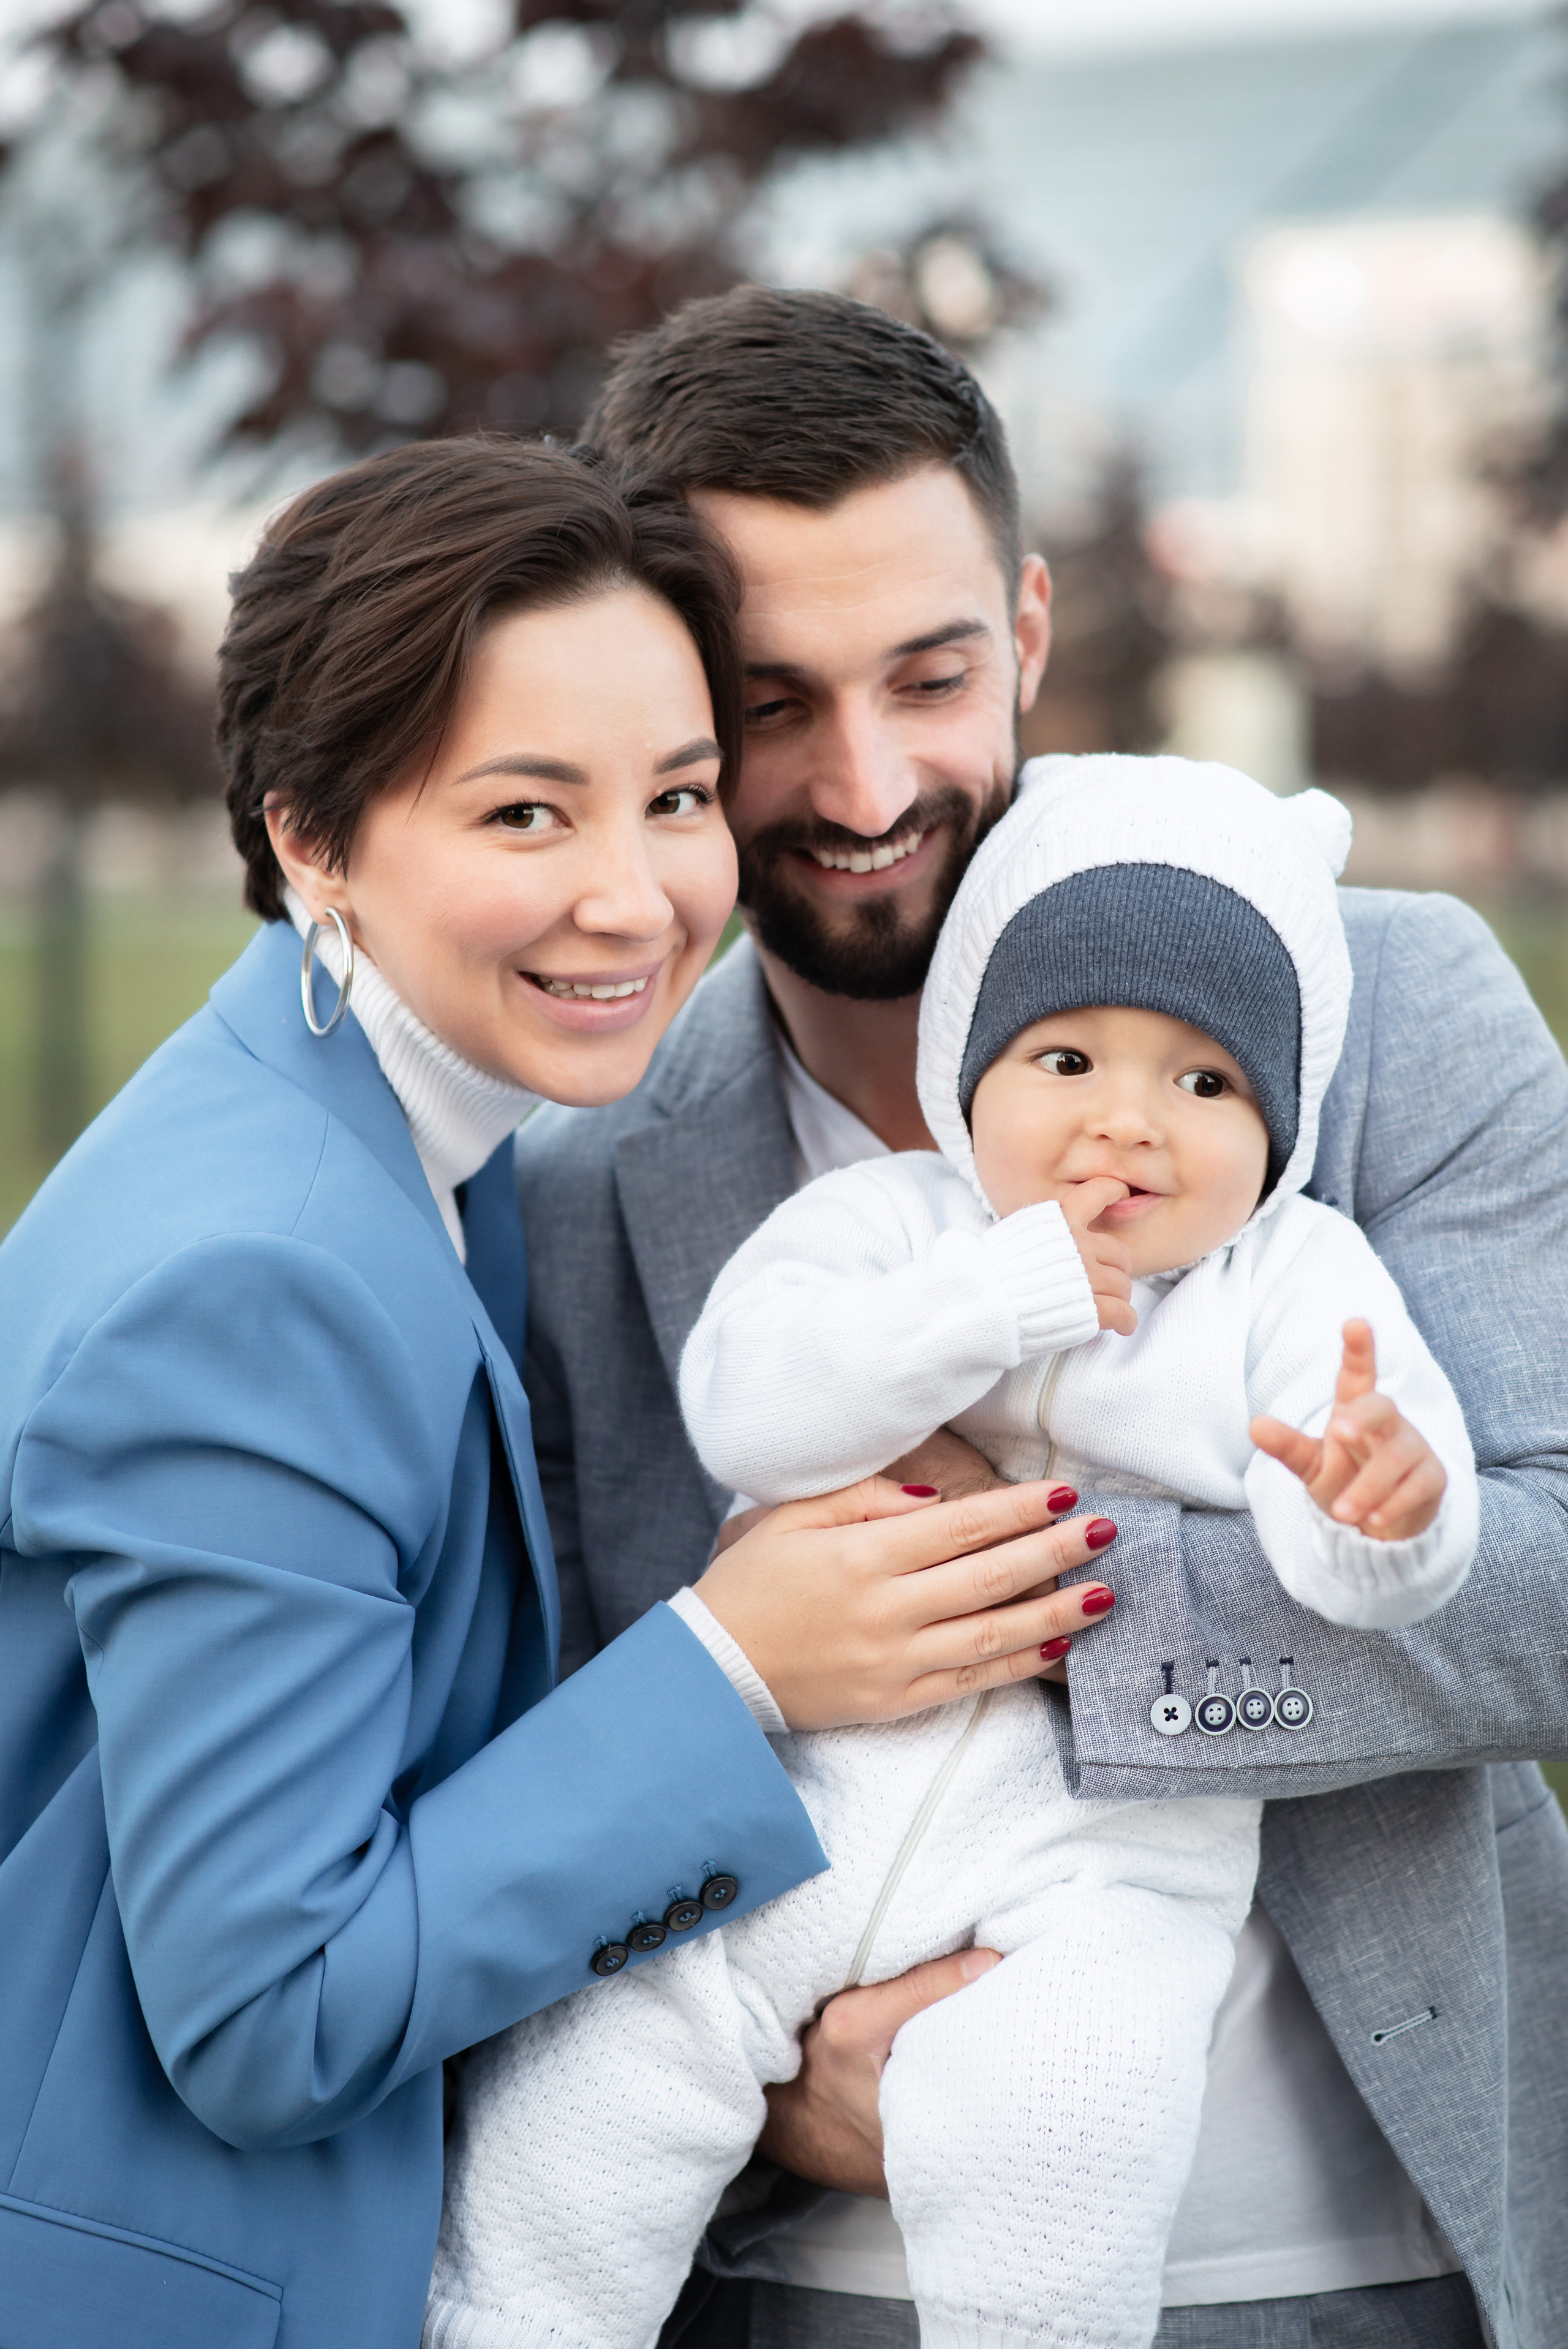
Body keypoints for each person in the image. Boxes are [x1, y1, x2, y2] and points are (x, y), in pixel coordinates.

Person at [513, 289, 1568, 2349]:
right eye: (773, 701)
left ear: (1030, 630)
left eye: (930, 676)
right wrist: (770, 2101)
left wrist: (1016, 1607)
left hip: (1371, 2266)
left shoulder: (1393, 1008)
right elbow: (528, 1752)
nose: (866, 778)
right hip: (818, 2279)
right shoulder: (581, 1173)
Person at [0, 437, 1109, 2349]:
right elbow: (269, 2009)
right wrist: (735, 1665)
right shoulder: (263, 1277)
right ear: (310, 835)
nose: (634, 896)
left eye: (676, 796)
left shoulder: (414, 1150)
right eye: (527, 812)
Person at [430, 758, 1476, 2349]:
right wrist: (992, 1300)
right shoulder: (890, 1227)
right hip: (797, 1816)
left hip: (1104, 1862)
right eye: (1067, 1058)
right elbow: (749, 1406)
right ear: (967, 1075)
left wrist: (1380, 1513)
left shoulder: (1291, 1278)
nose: (1128, 1119)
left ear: (1278, 1128)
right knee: (607, 2054)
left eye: (1206, 1083)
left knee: (1069, 2113)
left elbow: (1360, 1531)